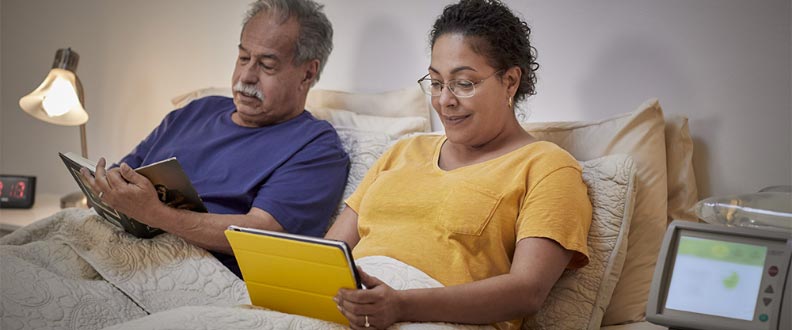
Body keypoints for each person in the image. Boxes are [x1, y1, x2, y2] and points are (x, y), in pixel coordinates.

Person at [325, 0, 592, 329]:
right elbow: (327, 255)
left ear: (510, 82)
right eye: (436, 83)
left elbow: (528, 290)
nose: (445, 100)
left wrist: (401, 306)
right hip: (351, 314)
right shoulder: (403, 151)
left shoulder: (546, 167)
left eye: (464, 83)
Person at [79, 0, 349, 278]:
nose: (246, 76)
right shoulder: (196, 110)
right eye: (243, 58)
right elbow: (121, 176)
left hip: (184, 271)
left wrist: (156, 214)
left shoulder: (315, 146)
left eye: (267, 65)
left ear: (307, 73)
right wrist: (102, 187)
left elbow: (263, 233)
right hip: (102, 245)